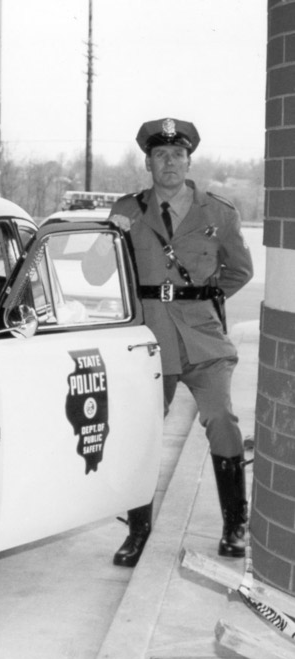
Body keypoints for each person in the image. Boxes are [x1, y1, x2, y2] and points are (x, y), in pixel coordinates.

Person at [84, 117, 254, 567]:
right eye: (161, 155)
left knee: (221, 419)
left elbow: (239, 272)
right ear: (148, 162)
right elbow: (95, 274)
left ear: (188, 160)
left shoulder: (218, 212)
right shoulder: (128, 208)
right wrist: (111, 236)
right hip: (147, 339)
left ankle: (235, 525)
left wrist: (201, 299)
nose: (170, 162)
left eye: (178, 154)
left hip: (203, 340)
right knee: (142, 432)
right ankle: (138, 531)